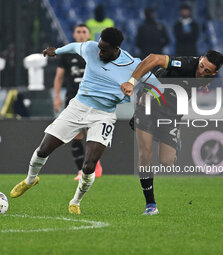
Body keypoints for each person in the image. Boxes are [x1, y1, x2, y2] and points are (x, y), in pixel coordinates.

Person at [10, 27, 159, 214]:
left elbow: (157, 87)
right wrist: (56, 51)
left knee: (89, 165)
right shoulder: (91, 48)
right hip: (77, 107)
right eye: (99, 47)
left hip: (103, 115)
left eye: (104, 50)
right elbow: (74, 47)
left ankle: (75, 202)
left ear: (116, 49)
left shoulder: (133, 65)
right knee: (43, 149)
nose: (99, 52)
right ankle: (30, 180)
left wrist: (141, 99)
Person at [121, 50, 223, 215]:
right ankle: (151, 205)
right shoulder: (185, 63)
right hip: (149, 102)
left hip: (172, 114)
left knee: (167, 161)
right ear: (201, 59)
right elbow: (154, 58)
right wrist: (132, 82)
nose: (201, 70)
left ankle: (171, 140)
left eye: (206, 70)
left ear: (214, 72)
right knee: (145, 154)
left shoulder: (210, 78)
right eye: (201, 65)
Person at [53, 24, 102, 181]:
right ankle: (82, 170)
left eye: (84, 32)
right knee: (75, 134)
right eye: (78, 32)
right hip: (72, 98)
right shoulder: (67, 53)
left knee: (91, 131)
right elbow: (59, 77)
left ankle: (94, 164)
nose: (81, 34)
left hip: (91, 97)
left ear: (88, 35)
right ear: (74, 35)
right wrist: (57, 97)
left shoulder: (96, 53)